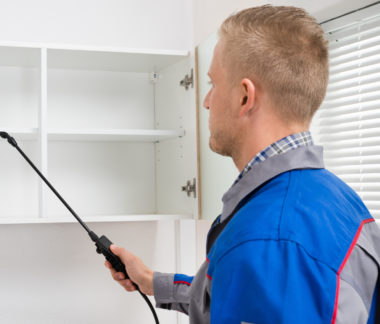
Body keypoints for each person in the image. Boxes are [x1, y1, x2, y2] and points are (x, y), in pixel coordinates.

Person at [105, 5, 380, 323]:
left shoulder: (267, 241)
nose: (207, 101)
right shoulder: (336, 197)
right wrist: (152, 281)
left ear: (244, 97)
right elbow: (232, 293)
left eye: (213, 84)